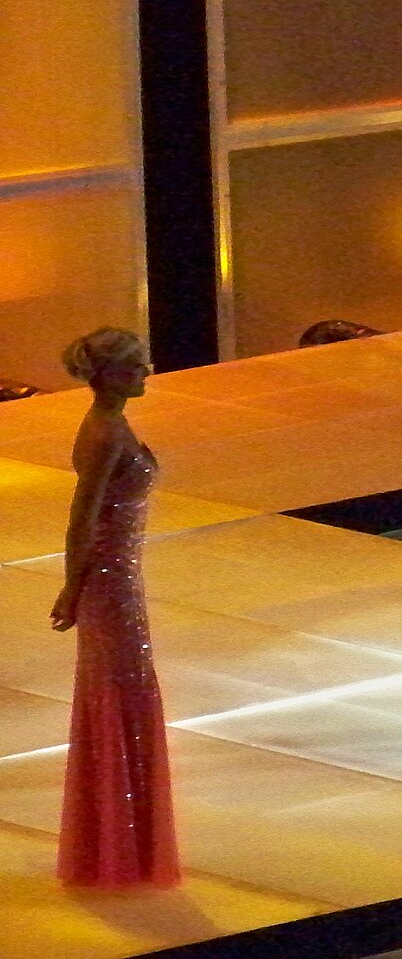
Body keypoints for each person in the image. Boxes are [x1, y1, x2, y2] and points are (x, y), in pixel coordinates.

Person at [51, 328, 179, 888]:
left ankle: (120, 845)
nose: (145, 373)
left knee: (121, 694)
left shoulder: (113, 425)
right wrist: (71, 587)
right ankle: (120, 851)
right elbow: (83, 518)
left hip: (120, 575)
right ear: (104, 376)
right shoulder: (103, 434)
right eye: (133, 368)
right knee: (120, 694)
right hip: (109, 580)